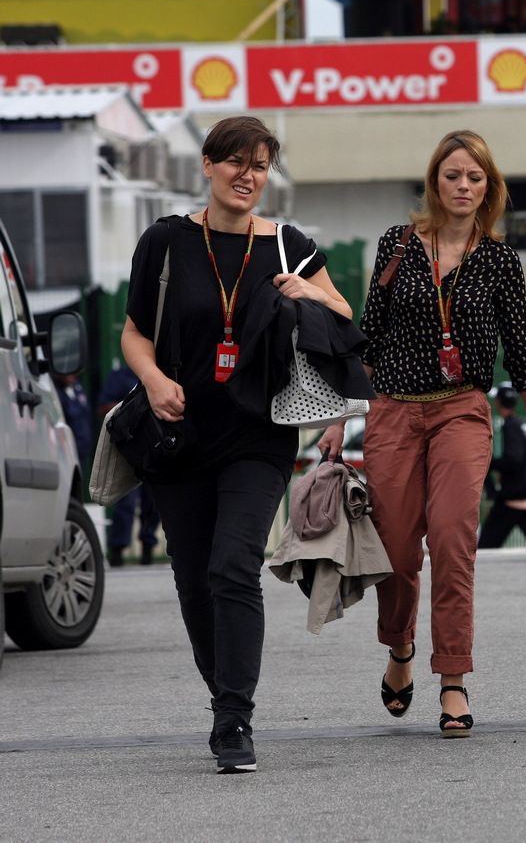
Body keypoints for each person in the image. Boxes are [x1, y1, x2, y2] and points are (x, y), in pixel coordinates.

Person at [121, 116, 356, 773]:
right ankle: (223, 696)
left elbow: (343, 319)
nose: (247, 175)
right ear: (208, 165)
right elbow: (135, 332)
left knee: (233, 564)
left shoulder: (288, 244)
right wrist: (154, 376)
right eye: (235, 162)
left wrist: (309, 287)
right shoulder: (165, 243)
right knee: (194, 580)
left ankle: (234, 716)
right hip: (179, 435)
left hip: (260, 434)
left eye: (259, 165)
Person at [319, 130, 526, 738]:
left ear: (489, 188)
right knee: (398, 553)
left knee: (454, 540)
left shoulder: (500, 261)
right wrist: (337, 418)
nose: (463, 187)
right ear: (435, 182)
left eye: (475, 178)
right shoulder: (396, 246)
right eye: (453, 176)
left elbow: (525, 357)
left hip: (462, 411)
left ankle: (453, 680)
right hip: (393, 413)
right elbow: (366, 343)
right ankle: (400, 651)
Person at [478, 382, 526, 547]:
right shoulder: (521, 423)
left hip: (513, 495)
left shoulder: (510, 425)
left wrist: (490, 463)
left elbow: (514, 458)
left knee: (487, 544)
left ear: (499, 402)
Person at [96, 364, 161, 566]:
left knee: (154, 501)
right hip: (129, 448)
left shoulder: (162, 372)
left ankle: (147, 550)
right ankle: (118, 550)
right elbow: (103, 408)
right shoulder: (121, 376)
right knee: (125, 502)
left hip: (154, 447)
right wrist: (135, 406)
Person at [53, 370, 93, 487]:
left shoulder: (77, 387)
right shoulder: (52, 389)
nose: (70, 373)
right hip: (61, 452)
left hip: (79, 451)